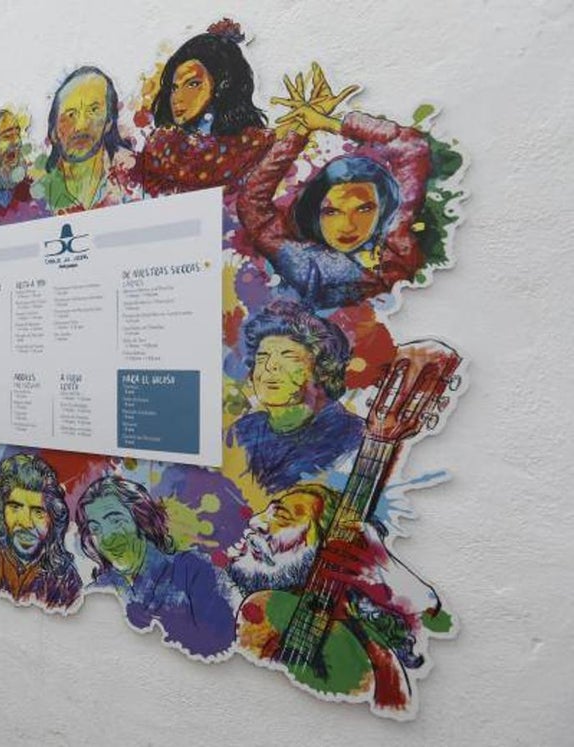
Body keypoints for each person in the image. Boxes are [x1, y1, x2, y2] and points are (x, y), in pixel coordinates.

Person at [225, 483, 449, 712]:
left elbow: (440, 626)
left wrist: (399, 582)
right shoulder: (247, 605)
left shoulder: (371, 656)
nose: (255, 521)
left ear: (328, 551)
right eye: (268, 511)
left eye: (282, 516)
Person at [238, 65, 431, 308]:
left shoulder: (396, 248)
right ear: (315, 212)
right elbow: (252, 202)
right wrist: (300, 132)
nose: (348, 225)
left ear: (384, 209)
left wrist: (330, 123)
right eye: (332, 212)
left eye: (364, 209)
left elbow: (410, 145)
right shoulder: (301, 259)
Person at [76, 476, 236, 659]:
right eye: (95, 529)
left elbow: (225, 648)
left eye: (115, 521)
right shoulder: (97, 592)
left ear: (142, 520)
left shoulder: (195, 571)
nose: (107, 538)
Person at [227, 300, 364, 493]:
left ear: (323, 368)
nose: (270, 367)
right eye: (262, 357)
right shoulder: (242, 432)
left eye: (288, 356)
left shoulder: (353, 437)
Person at [134, 19, 274, 197]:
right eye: (174, 88)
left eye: (192, 84)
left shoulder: (254, 144)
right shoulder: (161, 147)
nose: (178, 98)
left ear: (222, 83)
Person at [0, 454, 82, 610]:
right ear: (1, 511)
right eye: (15, 508)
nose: (26, 523)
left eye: (38, 512)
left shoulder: (64, 580)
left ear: (52, 519)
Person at [35, 66, 135, 212]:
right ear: (53, 132)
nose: (81, 126)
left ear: (108, 122)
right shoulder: (37, 197)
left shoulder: (135, 181)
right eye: (70, 114)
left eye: (93, 110)